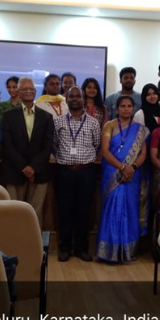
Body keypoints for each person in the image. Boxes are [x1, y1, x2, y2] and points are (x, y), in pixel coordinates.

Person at [97, 95, 149, 263]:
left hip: (133, 174)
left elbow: (143, 153)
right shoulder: (109, 125)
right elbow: (105, 151)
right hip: (113, 172)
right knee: (112, 209)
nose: (126, 109)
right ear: (117, 108)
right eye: (123, 106)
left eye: (129, 106)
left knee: (130, 208)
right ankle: (108, 251)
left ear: (133, 109)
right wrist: (122, 167)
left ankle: (128, 251)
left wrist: (132, 167)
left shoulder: (140, 129)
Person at [53, 87, 101, 262]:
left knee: (84, 211)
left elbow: (96, 145)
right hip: (64, 172)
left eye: (78, 96)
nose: (74, 99)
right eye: (71, 96)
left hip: (86, 172)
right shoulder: (58, 122)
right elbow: (54, 145)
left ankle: (81, 248)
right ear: (67, 99)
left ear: (83, 99)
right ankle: (64, 248)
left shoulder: (93, 123)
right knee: (64, 211)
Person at [1, 77, 54, 226]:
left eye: (31, 89)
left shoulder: (47, 117)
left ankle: (33, 242)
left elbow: (47, 145)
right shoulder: (8, 116)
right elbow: (7, 145)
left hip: (39, 172)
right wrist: (24, 167)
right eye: (24, 89)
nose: (28, 91)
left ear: (35, 92)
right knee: (13, 213)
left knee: (35, 214)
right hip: (15, 171)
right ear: (18, 92)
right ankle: (13, 241)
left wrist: (33, 167)